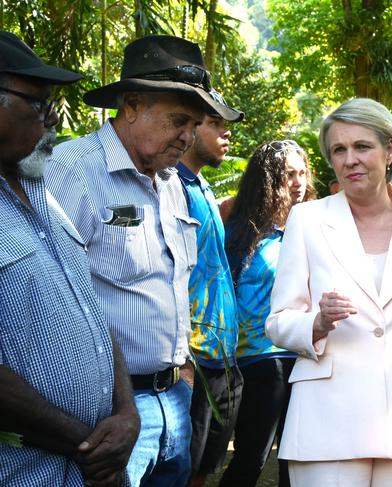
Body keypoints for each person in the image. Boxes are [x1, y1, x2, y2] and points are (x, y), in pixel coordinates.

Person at [44, 35, 223, 486]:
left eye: (196, 124)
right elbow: (48, 302)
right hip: (106, 411)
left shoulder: (171, 182)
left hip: (173, 401)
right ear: (131, 105)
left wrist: (180, 376)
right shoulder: (70, 170)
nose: (188, 137)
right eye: (179, 121)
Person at [266, 98, 392, 487]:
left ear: (389, 150)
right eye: (339, 149)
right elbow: (278, 322)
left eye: (362, 146)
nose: (350, 159)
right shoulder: (306, 220)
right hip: (327, 421)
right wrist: (318, 322)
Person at [0, 31, 139, 486]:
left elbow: (91, 315)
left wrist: (126, 414)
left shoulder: (41, 192)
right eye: (38, 103)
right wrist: (89, 446)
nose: (53, 118)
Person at [220, 140, 316, 487]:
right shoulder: (240, 230)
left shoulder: (314, 229)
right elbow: (221, 290)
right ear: (268, 180)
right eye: (289, 174)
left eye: (302, 172)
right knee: (251, 456)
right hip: (258, 356)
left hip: (305, 354)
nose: (298, 181)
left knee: (300, 459)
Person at [176, 89, 245, 487]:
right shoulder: (171, 188)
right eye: (216, 123)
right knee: (181, 467)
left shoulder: (200, 188)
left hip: (221, 353)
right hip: (193, 356)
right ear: (190, 124)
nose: (226, 133)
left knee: (203, 464)